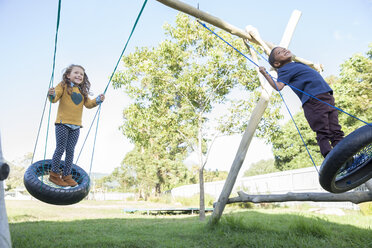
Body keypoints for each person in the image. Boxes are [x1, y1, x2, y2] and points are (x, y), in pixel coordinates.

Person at [259, 47, 344, 159]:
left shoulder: (296, 64)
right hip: (313, 100)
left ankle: (343, 153)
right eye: (279, 52)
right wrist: (265, 74)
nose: (284, 50)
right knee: (323, 129)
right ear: (277, 63)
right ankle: (329, 156)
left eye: (284, 49)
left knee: (335, 128)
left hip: (326, 96)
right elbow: (278, 86)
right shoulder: (284, 69)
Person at [48, 64, 105, 187]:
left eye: (81, 74)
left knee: (70, 151)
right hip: (62, 123)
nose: (79, 75)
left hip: (76, 126)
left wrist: (98, 100)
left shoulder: (82, 91)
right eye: (76, 73)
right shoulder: (63, 86)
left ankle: (67, 176)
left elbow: (89, 104)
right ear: (68, 75)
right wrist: (51, 94)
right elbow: (54, 98)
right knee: (60, 148)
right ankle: (54, 175)